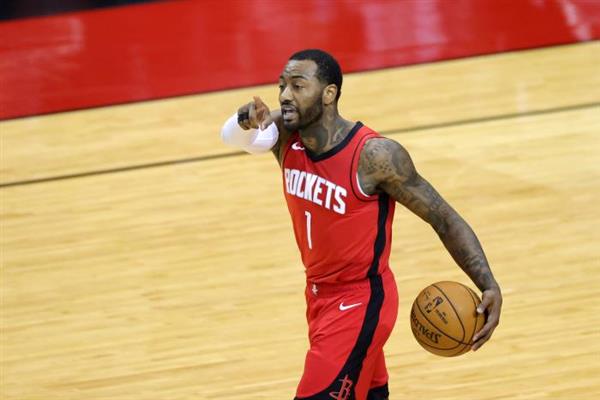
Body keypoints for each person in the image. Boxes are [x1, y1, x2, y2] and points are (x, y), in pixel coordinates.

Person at [221, 49, 502, 400]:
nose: (285, 95)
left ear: (329, 94)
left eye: (298, 86)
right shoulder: (287, 135)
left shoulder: (375, 156)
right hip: (318, 296)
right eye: (282, 86)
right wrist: (245, 118)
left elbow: (443, 218)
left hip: (359, 301)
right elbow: (234, 137)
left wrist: (487, 283)